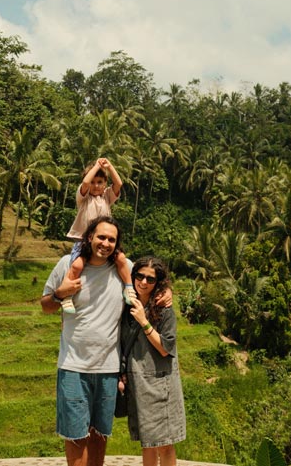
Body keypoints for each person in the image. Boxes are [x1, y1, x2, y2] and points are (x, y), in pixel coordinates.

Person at [41, 217, 171, 466]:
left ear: (117, 244)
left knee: (99, 435)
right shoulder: (67, 265)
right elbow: (45, 306)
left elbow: (152, 282)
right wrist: (60, 294)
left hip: (108, 369)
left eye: (111, 239)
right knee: (76, 436)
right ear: (89, 237)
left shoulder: (126, 269)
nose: (105, 243)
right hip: (73, 366)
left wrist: (167, 291)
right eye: (101, 237)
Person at [119, 256, 186, 466]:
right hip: (138, 382)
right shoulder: (126, 306)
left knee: (165, 443)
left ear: (158, 283)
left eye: (151, 279)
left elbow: (166, 348)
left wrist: (144, 321)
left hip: (162, 383)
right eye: (140, 276)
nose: (144, 282)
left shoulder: (164, 310)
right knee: (147, 442)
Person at [61, 158, 135, 314]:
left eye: (100, 182)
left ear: (105, 183)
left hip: (105, 241)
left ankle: (129, 288)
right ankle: (67, 296)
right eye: (93, 182)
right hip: (83, 241)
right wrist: (96, 166)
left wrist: (110, 166)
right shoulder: (84, 198)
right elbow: (85, 184)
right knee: (76, 266)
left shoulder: (107, 197)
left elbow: (119, 184)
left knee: (121, 259)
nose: (95, 185)